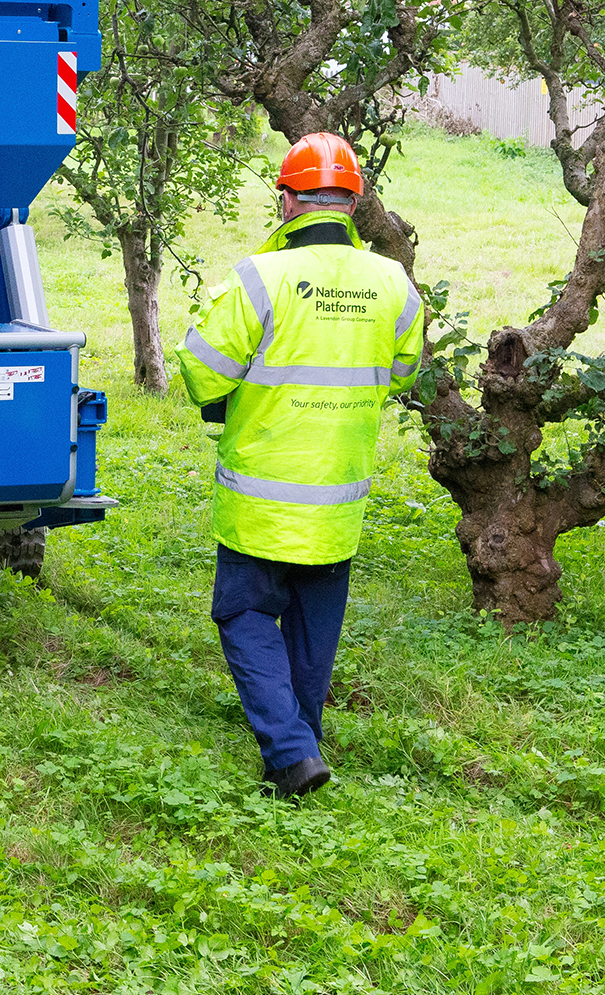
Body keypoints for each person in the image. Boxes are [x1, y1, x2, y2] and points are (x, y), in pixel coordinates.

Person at [177, 132, 423, 798]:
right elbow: (404, 370)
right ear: (355, 200)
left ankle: (289, 752)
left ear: (286, 200)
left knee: (244, 611)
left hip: (262, 492)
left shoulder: (259, 277)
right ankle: (298, 746)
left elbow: (202, 372)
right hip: (339, 492)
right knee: (315, 624)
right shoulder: (394, 282)